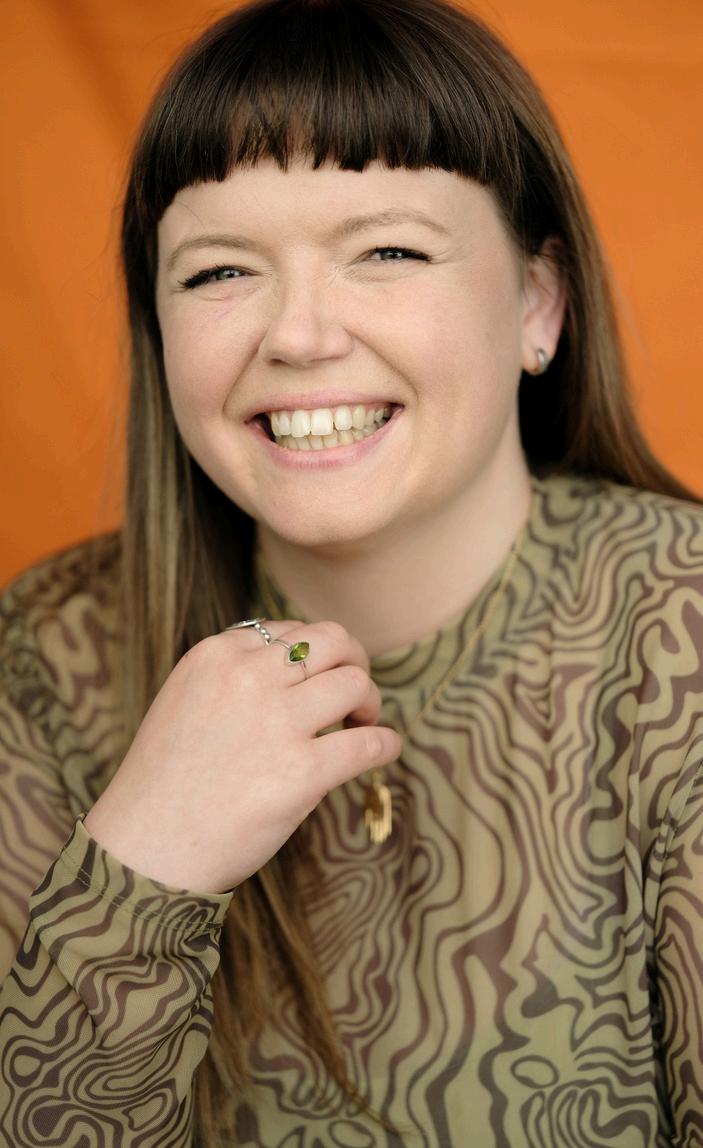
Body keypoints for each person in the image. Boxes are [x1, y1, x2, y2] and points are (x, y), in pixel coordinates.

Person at [1, 0, 702, 1144]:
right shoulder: (39, 661)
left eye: (386, 251)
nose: (298, 335)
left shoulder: (684, 631)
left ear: (538, 302)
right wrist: (143, 862)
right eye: (219, 271)